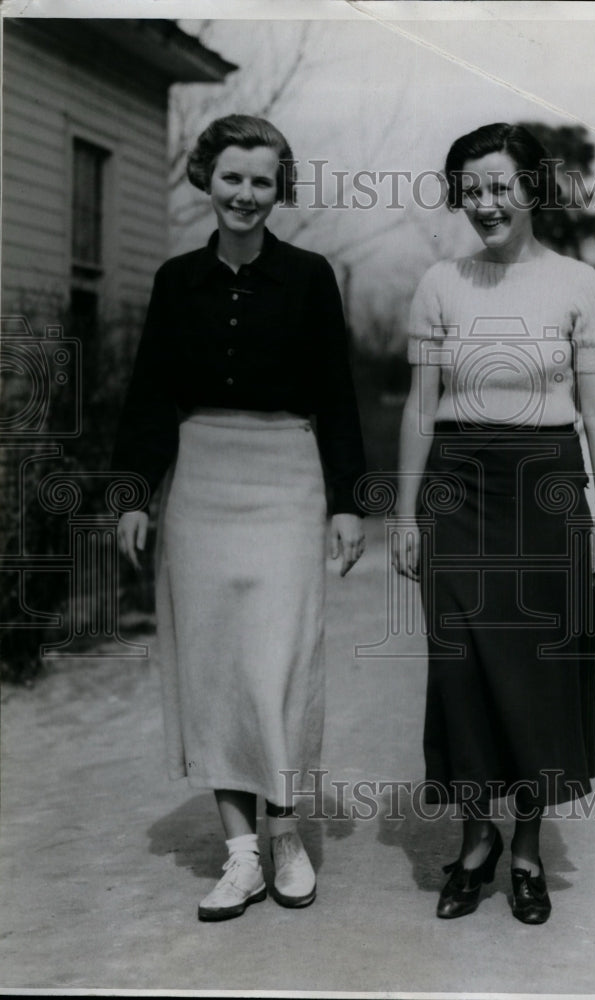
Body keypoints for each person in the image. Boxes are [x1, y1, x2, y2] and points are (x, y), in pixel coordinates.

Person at [112, 115, 366, 922]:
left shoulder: (309, 277)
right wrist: (133, 493)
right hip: (200, 487)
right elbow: (150, 393)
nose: (246, 194)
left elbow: (337, 394)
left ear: (277, 188)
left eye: (261, 180)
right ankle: (242, 854)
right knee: (216, 667)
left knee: (278, 662)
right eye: (232, 177)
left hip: (286, 479)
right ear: (206, 179)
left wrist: (348, 501)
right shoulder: (175, 280)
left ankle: (285, 837)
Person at [393, 122, 595, 924]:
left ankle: (524, 849)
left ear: (532, 189)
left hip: (545, 490)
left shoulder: (579, 285)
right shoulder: (438, 283)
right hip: (455, 490)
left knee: (536, 678)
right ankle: (474, 840)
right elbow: (419, 409)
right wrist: (405, 514)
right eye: (471, 190)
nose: (485, 203)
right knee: (459, 672)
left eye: (500, 186)